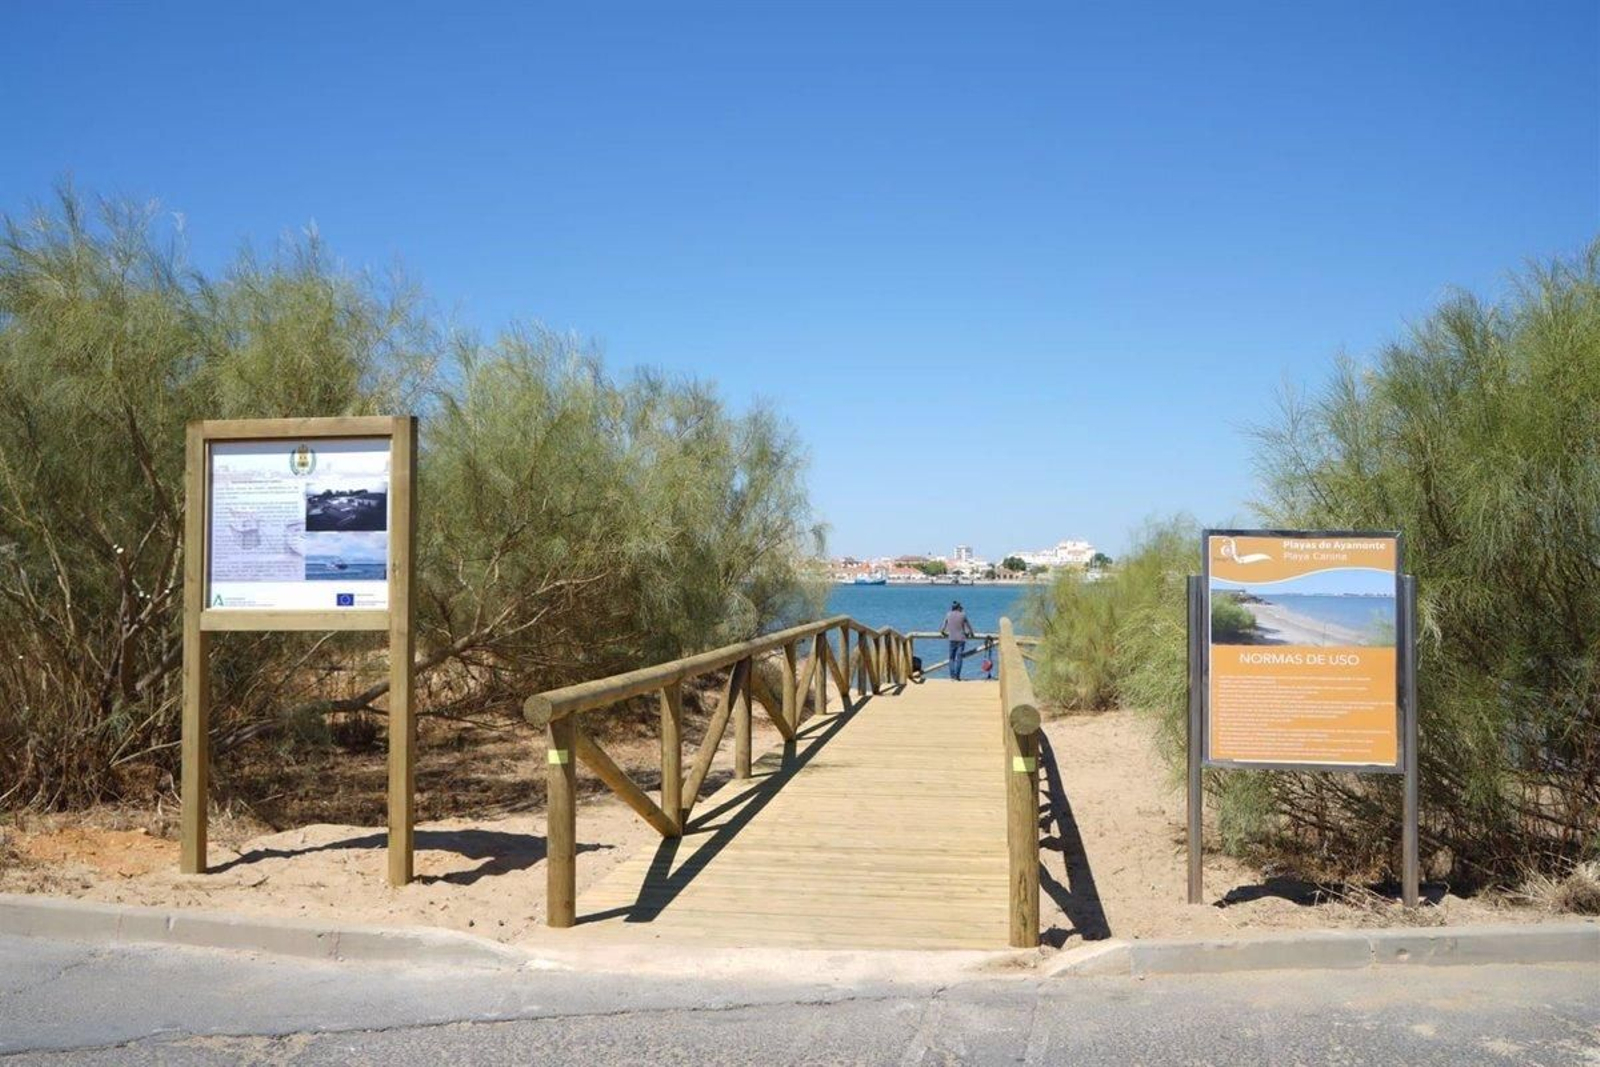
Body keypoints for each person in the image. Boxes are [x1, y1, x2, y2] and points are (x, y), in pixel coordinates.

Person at [939, 600, 976, 680]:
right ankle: (957, 676)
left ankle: (952, 676)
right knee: (959, 658)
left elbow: (942, 629)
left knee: (951, 658)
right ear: (959, 608)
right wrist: (971, 634)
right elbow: (969, 627)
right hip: (961, 639)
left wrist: (944, 633)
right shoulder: (963, 615)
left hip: (952, 638)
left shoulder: (948, 614)